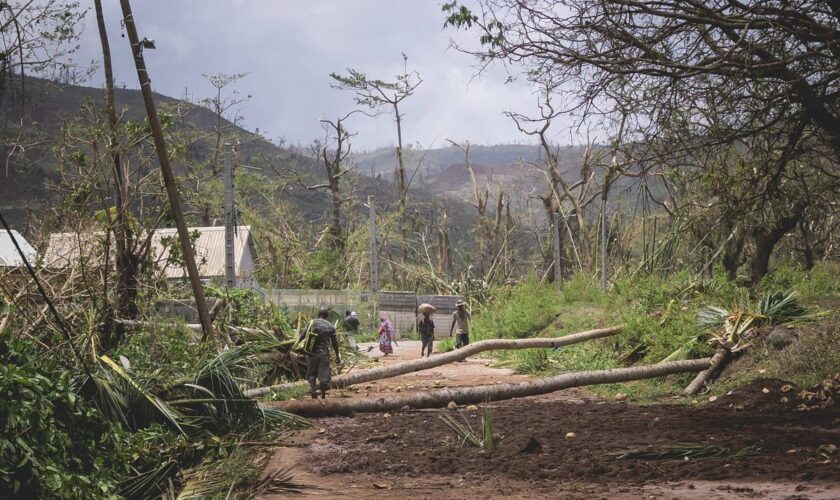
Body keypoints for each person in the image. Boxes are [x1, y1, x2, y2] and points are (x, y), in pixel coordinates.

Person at [299, 307, 341, 399]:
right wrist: (337, 355)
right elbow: (335, 343)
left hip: (312, 353)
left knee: (312, 373)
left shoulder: (312, 323)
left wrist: (296, 345)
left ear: (318, 314)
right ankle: (322, 395)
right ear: (327, 316)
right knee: (324, 375)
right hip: (324, 354)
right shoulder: (330, 326)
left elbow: (302, 335)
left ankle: (313, 390)